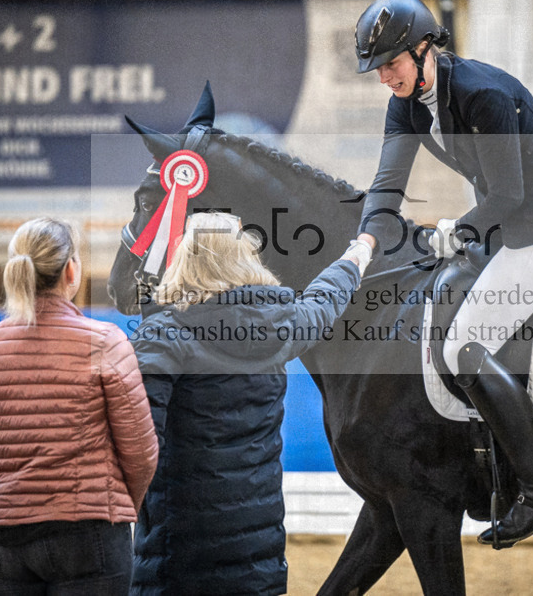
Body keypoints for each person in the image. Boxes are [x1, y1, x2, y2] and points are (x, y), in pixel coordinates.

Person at [353, 0, 533, 547]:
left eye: (390, 64)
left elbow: (510, 195)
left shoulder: (483, 94)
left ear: (424, 50)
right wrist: (364, 242)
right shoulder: (407, 100)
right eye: (377, 69)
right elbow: (388, 182)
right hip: (504, 222)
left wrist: (456, 229)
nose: (383, 78)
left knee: (462, 344)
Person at [130, 211, 370, 595]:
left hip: (175, 553)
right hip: (257, 556)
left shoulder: (163, 335)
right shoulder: (283, 323)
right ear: (245, 256)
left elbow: (138, 443)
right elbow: (324, 300)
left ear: (186, 259)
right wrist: (357, 255)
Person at [0, 217, 159, 595]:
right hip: (89, 536)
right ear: (71, 270)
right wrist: (115, 509)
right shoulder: (105, 341)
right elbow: (141, 453)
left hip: (2, 539)